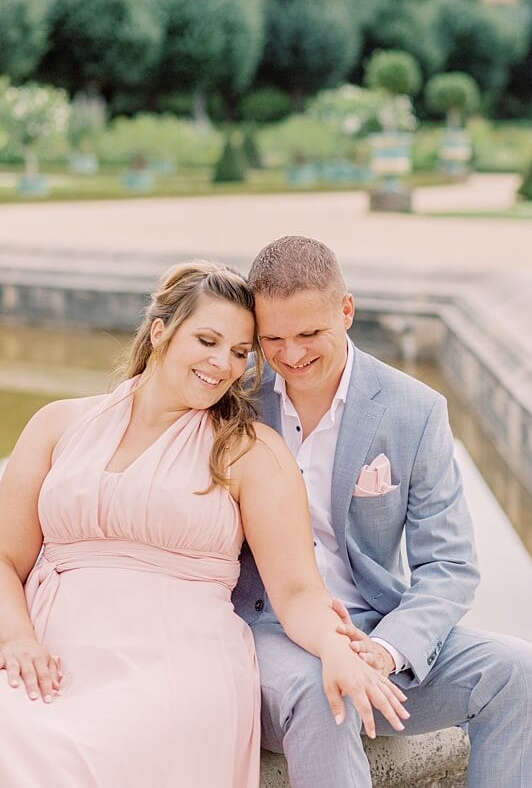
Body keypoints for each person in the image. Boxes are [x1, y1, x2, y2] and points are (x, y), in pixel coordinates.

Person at [0, 262, 405, 787]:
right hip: (47, 652)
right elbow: (6, 557)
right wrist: (15, 638)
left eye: (240, 353)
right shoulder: (57, 424)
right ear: (160, 330)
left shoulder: (251, 451)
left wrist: (336, 648)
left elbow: (298, 590)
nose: (222, 364)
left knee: (74, 760)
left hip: (174, 667)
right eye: (207, 340)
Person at [232, 236, 532, 788]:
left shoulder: (416, 409)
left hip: (377, 626)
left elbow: (449, 565)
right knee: (322, 691)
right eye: (273, 339)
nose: (292, 355)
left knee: (519, 673)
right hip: (265, 632)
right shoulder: (233, 401)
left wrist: (385, 650)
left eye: (310, 333)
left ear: (347, 310)